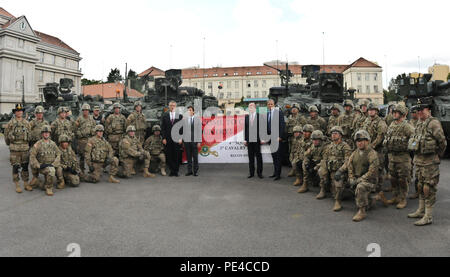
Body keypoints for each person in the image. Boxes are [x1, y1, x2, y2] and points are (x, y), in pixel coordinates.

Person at [407, 101, 447, 226]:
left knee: (428, 188)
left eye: (422, 110)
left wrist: (437, 155)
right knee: (419, 186)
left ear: (428, 110)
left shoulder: (433, 123)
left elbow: (442, 142)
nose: (420, 113)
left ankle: (428, 216)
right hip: (419, 161)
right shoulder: (419, 122)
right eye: (418, 111)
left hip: (430, 162)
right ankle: (420, 210)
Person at [383, 104, 414, 209]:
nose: (394, 114)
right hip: (392, 157)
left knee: (402, 179)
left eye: (396, 113)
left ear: (401, 115)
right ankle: (395, 196)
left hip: (403, 157)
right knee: (393, 178)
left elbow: (414, 139)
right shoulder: (391, 125)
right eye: (393, 112)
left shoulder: (407, 126)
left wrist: (411, 148)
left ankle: (402, 198)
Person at [345, 130, 380, 222]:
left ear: (367, 141)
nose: (359, 143)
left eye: (361, 140)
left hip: (369, 181)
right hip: (357, 178)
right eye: (357, 141)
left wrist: (359, 180)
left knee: (360, 187)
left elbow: (372, 172)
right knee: (341, 181)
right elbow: (350, 165)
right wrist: (351, 177)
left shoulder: (372, 154)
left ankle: (362, 211)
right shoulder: (355, 152)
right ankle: (370, 199)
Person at [362, 103, 388, 206]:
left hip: (377, 151)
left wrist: (371, 147)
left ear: (376, 111)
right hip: (368, 150)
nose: (371, 111)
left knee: (379, 171)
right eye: (369, 110)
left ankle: (379, 191)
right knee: (370, 171)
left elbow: (380, 137)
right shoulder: (367, 120)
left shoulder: (381, 123)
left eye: (373, 110)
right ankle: (372, 191)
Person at [322, 126, 352, 208]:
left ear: (340, 135)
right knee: (321, 172)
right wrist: (323, 169)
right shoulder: (329, 146)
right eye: (332, 134)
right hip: (330, 169)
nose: (333, 135)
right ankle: (323, 190)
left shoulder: (345, 147)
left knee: (338, 186)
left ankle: (338, 202)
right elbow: (325, 158)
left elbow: (347, 162)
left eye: (335, 134)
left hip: (339, 170)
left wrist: (340, 171)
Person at [4, 104, 31, 193]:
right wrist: (10, 145)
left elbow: (29, 135)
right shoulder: (10, 123)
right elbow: (6, 136)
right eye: (17, 111)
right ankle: (17, 184)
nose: (19, 112)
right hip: (15, 149)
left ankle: (26, 183)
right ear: (15, 112)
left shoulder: (27, 123)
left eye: (20, 111)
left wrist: (28, 145)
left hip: (24, 149)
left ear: (22, 112)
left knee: (25, 166)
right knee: (15, 167)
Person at [30, 125, 61, 196]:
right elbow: (32, 156)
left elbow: (58, 154)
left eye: (47, 132)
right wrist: (38, 165)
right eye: (44, 132)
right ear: (42, 134)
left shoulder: (53, 144)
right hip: (42, 166)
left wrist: (54, 163)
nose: (46, 134)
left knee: (59, 169)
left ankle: (59, 182)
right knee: (51, 170)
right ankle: (49, 188)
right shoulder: (38, 144)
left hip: (52, 164)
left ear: (50, 134)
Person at [262, 99, 285, 181]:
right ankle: (275, 172)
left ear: (274, 105)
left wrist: (280, 136)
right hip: (270, 139)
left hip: (277, 138)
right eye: (268, 104)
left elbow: (282, 125)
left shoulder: (279, 113)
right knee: (274, 156)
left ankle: (278, 175)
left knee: (278, 157)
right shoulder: (267, 114)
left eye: (271, 104)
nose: (270, 105)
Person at [161, 101, 183, 177]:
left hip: (177, 138)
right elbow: (163, 128)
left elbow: (181, 128)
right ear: (169, 106)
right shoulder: (165, 116)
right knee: (169, 154)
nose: (172, 107)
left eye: (173, 105)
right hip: (168, 138)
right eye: (171, 105)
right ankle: (171, 170)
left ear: (175, 106)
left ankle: (176, 171)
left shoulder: (179, 116)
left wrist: (180, 138)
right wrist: (164, 138)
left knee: (176, 154)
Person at [74, 104, 96, 175]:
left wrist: (92, 132)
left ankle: (91, 169)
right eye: (84, 110)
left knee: (90, 155)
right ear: (82, 111)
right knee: (82, 156)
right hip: (81, 140)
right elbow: (75, 129)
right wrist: (80, 134)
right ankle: (82, 171)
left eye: (87, 110)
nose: (85, 112)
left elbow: (94, 127)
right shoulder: (79, 119)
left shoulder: (91, 119)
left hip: (89, 139)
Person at [285, 104, 306, 177]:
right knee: (291, 152)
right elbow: (286, 127)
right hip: (291, 138)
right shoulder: (289, 118)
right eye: (292, 108)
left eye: (295, 108)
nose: (294, 109)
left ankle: (297, 170)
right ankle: (293, 169)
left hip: (299, 138)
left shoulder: (301, 118)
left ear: (298, 109)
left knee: (298, 152)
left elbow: (305, 128)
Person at [244, 103, 263, 179]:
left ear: (255, 107)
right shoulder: (247, 117)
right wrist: (245, 139)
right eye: (249, 107)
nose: (250, 108)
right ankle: (251, 173)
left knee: (258, 157)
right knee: (250, 157)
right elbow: (245, 129)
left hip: (257, 140)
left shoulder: (259, 116)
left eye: (252, 106)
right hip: (249, 140)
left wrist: (262, 138)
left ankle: (259, 173)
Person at [183, 106, 202, 176]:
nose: (189, 111)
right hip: (187, 141)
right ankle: (189, 171)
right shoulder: (185, 120)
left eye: (190, 110)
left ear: (193, 111)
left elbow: (199, 131)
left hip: (195, 141)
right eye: (188, 110)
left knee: (195, 157)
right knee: (188, 157)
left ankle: (195, 171)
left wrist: (199, 141)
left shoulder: (197, 120)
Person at [408, 106, 420, 200]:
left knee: (419, 172)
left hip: (418, 148)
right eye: (412, 112)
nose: (413, 114)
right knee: (410, 165)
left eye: (414, 112)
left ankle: (418, 191)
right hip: (410, 148)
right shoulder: (409, 122)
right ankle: (408, 180)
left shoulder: (421, 122)